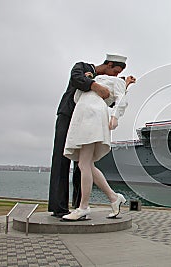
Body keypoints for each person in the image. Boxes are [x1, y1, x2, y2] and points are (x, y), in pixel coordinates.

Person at [48, 54, 127, 217]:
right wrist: (94, 85)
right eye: (116, 71)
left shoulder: (107, 80)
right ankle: (59, 207)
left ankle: (80, 205)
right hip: (69, 115)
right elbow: (76, 79)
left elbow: (112, 100)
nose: (116, 75)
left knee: (82, 165)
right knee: (61, 160)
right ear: (109, 64)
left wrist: (122, 86)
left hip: (90, 118)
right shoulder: (83, 67)